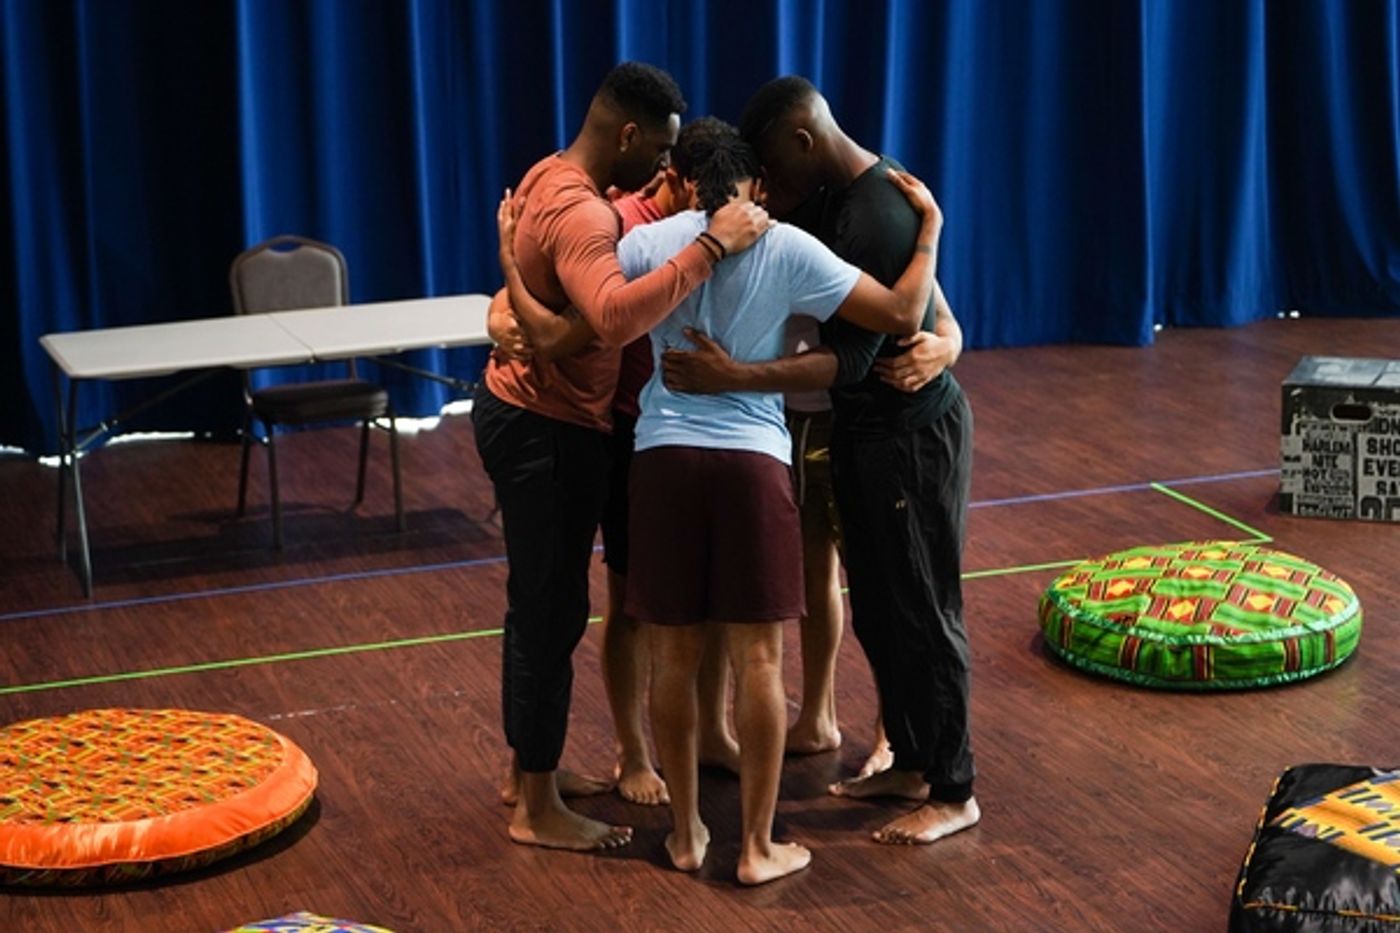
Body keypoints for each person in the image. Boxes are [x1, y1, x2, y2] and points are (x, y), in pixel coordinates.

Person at [504, 118, 944, 882]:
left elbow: (575, 327)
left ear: (680, 178)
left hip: (661, 462)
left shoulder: (642, 245)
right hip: (752, 464)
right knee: (760, 658)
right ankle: (757, 846)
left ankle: (685, 834)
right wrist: (930, 229)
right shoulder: (790, 247)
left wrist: (509, 260)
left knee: (673, 653)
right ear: (758, 186)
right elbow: (903, 316)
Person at [661, 75, 978, 846]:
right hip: (863, 438)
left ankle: (954, 785)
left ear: (803, 141)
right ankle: (908, 757)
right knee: (878, 605)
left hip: (910, 437)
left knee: (925, 611)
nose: (770, 184)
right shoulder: (830, 195)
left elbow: (855, 353)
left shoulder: (878, 207)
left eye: (774, 162)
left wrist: (736, 377)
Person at [471, 61, 770, 852]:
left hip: (538, 417)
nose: (667, 166)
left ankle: (526, 774)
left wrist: (512, 290)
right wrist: (709, 245)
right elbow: (607, 318)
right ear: (630, 135)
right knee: (549, 613)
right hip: (547, 429)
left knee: (542, 610)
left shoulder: (553, 176)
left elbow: (562, 315)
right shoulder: (589, 215)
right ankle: (536, 809)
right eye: (661, 149)